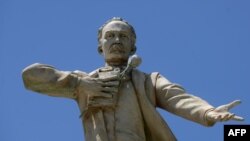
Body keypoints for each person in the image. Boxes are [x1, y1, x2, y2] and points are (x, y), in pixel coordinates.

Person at [22, 17, 243, 141]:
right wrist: (79, 83)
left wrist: (208, 112)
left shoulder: (147, 81)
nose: (116, 40)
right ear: (100, 47)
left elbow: (178, 98)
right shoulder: (84, 80)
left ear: (132, 46)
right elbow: (30, 76)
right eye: (110, 36)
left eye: (123, 36)